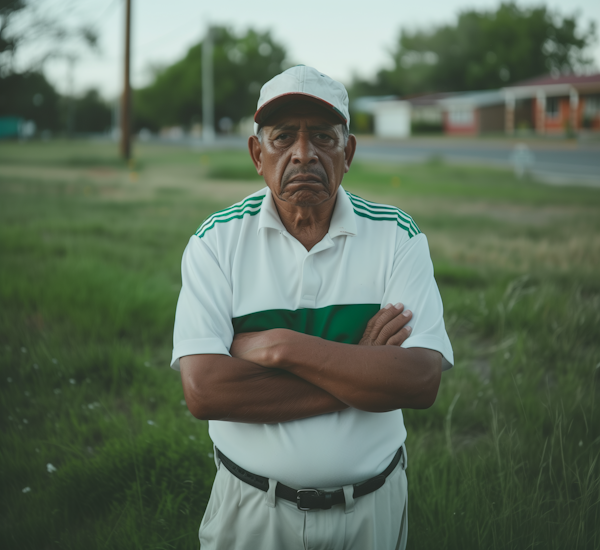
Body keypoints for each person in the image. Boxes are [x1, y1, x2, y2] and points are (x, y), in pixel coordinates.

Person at [171, 65, 454, 550]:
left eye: (323, 136)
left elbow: (420, 381)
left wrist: (282, 347)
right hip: (251, 511)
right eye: (284, 138)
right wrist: (361, 370)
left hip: (371, 510)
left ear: (348, 153)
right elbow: (205, 392)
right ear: (258, 155)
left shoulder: (397, 237)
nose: (304, 153)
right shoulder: (215, 242)